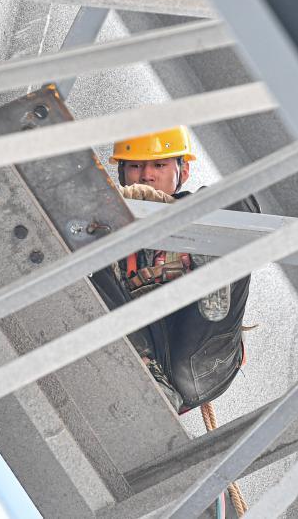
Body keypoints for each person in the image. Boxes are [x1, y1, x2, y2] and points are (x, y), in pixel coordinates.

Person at [90, 126, 260, 413]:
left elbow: (246, 204)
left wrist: (175, 215)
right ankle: (148, 372)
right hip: (150, 355)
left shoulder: (206, 213)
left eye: (159, 165)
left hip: (203, 354)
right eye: (135, 166)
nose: (147, 175)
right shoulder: (109, 234)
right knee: (94, 265)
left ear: (183, 172)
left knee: (227, 212)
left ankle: (208, 269)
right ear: (122, 173)